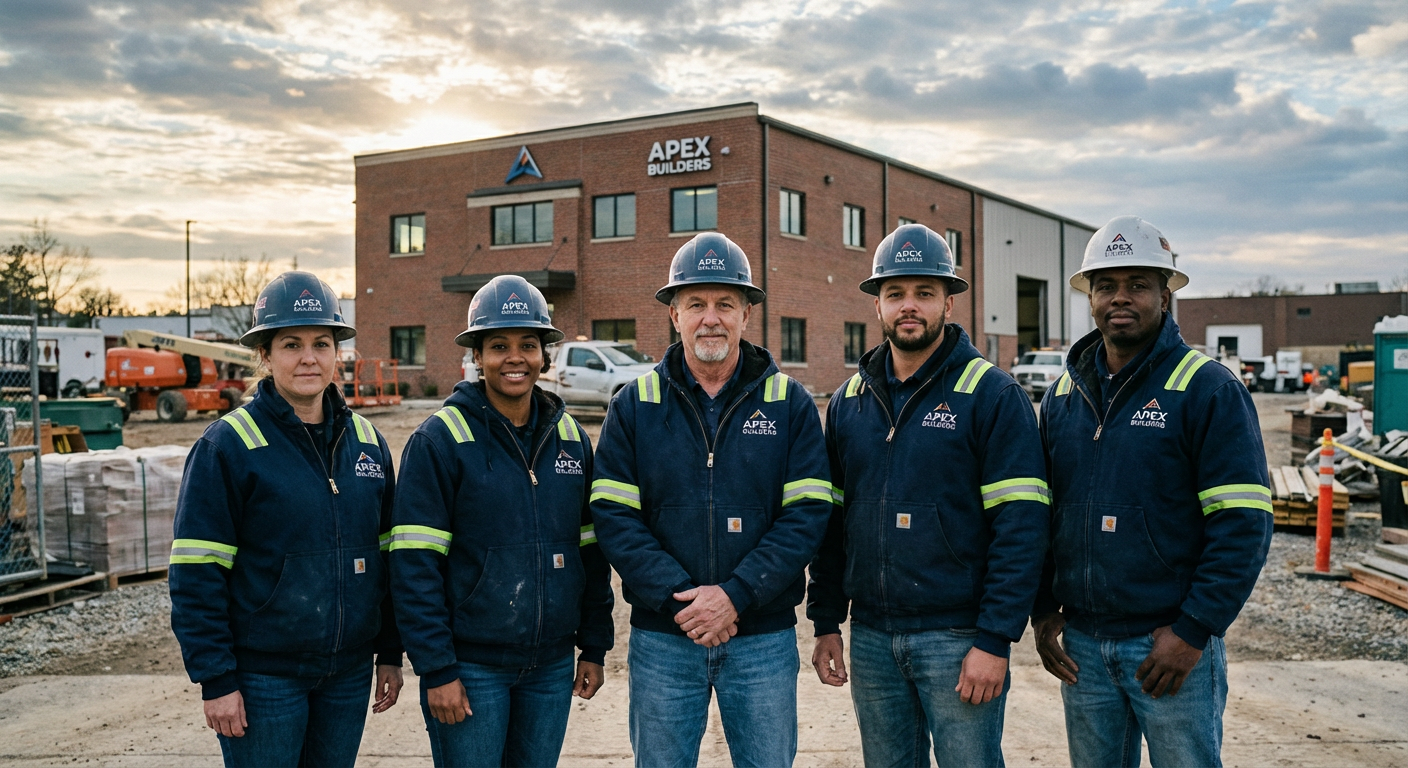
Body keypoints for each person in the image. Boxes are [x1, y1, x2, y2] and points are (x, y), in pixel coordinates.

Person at [806, 223, 1051, 767]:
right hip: (871, 637)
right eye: (895, 293)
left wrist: (995, 639)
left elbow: (1022, 528)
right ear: (877, 304)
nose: (908, 306)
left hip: (959, 637)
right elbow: (832, 525)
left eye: (924, 293)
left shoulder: (992, 395)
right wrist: (826, 621)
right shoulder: (850, 400)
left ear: (948, 300)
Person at [1033, 216, 1273, 768]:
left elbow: (1243, 522)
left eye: (1138, 285)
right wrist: (1043, 608)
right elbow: (1043, 515)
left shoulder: (1206, 388)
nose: (1121, 298)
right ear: (1089, 297)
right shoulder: (1063, 396)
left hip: (1168, 646)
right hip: (1085, 649)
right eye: (1105, 285)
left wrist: (1193, 631)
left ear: (1165, 296)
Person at [589, 232, 832, 767]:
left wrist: (736, 596)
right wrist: (684, 600)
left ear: (747, 315)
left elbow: (808, 514)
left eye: (726, 304)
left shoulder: (789, 404)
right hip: (664, 640)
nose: (711, 318)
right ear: (674, 315)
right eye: (695, 304)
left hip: (761, 639)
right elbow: (613, 516)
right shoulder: (634, 405)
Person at [169, 271, 403, 768]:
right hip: (263, 680)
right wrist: (218, 680)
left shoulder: (366, 442)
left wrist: (389, 653)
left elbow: (388, 560)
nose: (308, 358)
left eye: (322, 343)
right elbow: (196, 572)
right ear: (265, 355)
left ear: (336, 352)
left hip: (347, 674)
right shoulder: (227, 446)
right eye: (291, 344)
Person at [388, 275, 614, 768]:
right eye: (498, 346)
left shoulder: (571, 439)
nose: (515, 358)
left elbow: (591, 552)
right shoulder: (439, 441)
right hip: (470, 670)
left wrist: (594, 646)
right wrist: (438, 668)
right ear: (477, 356)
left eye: (528, 344)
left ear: (544, 354)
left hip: (551, 666)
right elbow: (413, 567)